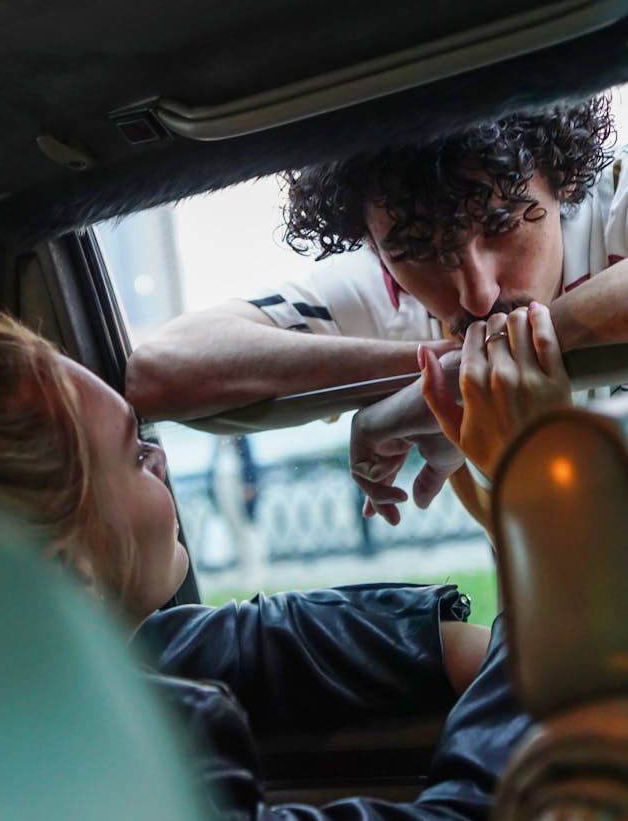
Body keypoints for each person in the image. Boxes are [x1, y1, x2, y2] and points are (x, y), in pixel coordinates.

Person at [0, 305, 527, 821]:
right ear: (64, 579)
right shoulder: (116, 808)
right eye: (135, 454)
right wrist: (527, 499)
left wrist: (437, 635)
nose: (159, 458)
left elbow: (253, 639)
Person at [125, 94, 627, 524]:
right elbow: (162, 370)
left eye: (501, 226)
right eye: (420, 252)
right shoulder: (385, 297)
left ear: (561, 176)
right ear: (374, 249)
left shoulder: (617, 203)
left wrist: (468, 372)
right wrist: (440, 374)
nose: (477, 295)